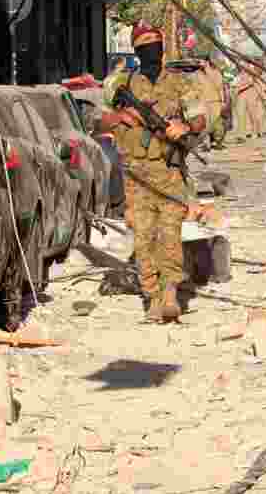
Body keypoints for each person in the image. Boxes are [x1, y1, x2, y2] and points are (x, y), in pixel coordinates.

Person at [99, 24, 207, 323]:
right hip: (136, 176)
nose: (151, 47)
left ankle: (170, 293)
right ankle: (153, 298)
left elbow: (200, 118)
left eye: (155, 42)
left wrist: (184, 127)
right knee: (144, 239)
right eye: (144, 42)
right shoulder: (121, 82)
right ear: (136, 49)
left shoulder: (178, 82)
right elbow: (98, 121)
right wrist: (122, 116)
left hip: (169, 173)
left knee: (170, 234)